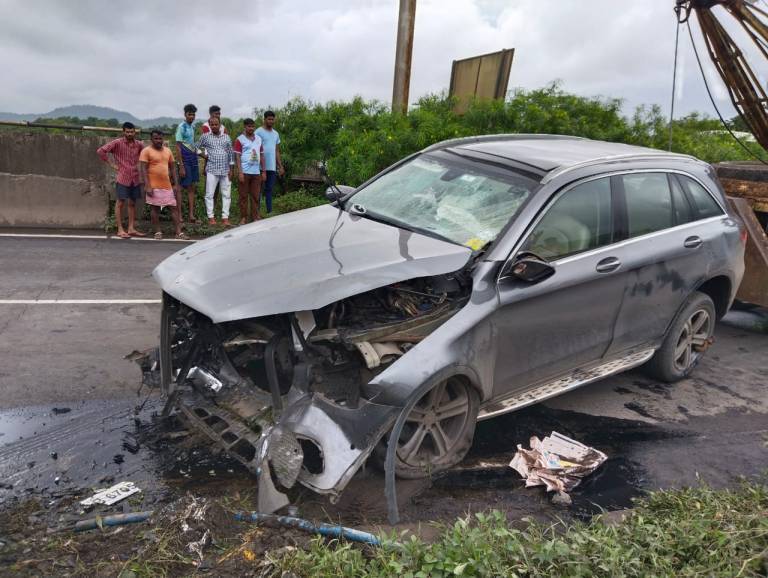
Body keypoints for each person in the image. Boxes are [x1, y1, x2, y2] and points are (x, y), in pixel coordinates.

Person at [97, 122, 145, 238]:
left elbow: (146, 155)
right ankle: (120, 229)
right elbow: (101, 151)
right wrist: (111, 164)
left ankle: (131, 228)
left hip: (135, 178)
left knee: (132, 203)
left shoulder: (139, 144)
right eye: (127, 132)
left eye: (132, 132)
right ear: (123, 132)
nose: (130, 134)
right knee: (120, 203)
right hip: (123, 177)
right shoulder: (117, 143)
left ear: (135, 132)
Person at [139, 130, 186, 240]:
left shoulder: (168, 151)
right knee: (154, 209)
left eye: (160, 138)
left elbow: (173, 168)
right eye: (156, 138)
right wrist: (147, 185)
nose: (158, 141)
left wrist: (176, 184)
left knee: (174, 208)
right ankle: (158, 231)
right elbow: (143, 169)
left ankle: (178, 232)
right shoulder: (146, 151)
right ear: (151, 139)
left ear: (163, 139)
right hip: (153, 186)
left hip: (167, 185)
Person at [197, 117, 234, 226]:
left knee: (226, 195)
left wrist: (231, 170)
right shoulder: (205, 136)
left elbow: (231, 154)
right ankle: (211, 218)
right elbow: (195, 147)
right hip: (212, 170)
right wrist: (203, 156)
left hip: (225, 170)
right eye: (212, 125)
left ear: (220, 125)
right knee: (209, 194)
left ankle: (225, 218)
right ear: (209, 126)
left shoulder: (226, 137)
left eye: (216, 124)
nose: (214, 126)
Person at [233, 118, 266, 224]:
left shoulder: (259, 139)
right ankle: (243, 217)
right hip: (245, 172)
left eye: (252, 126)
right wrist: (240, 172)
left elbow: (262, 155)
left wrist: (264, 171)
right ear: (245, 127)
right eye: (249, 126)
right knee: (243, 196)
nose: (251, 128)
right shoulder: (240, 139)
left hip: (256, 172)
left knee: (256, 196)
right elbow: (237, 157)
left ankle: (255, 217)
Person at [175, 103, 200, 224]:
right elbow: (178, 147)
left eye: (193, 114)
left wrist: (201, 154)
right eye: (189, 114)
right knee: (180, 187)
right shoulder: (181, 127)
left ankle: (191, 215)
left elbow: (192, 144)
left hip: (193, 158)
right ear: (185, 114)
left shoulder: (192, 127)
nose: (192, 116)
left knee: (191, 187)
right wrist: (181, 166)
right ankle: (179, 215)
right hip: (184, 159)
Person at [255, 110, 284, 214]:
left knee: (269, 190)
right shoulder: (258, 132)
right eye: (269, 119)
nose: (271, 121)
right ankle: (256, 213)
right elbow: (254, 148)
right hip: (260, 167)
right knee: (258, 190)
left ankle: (269, 212)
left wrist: (280, 166)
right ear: (264, 119)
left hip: (272, 167)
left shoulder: (276, 134)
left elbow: (276, 151)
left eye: (272, 119)